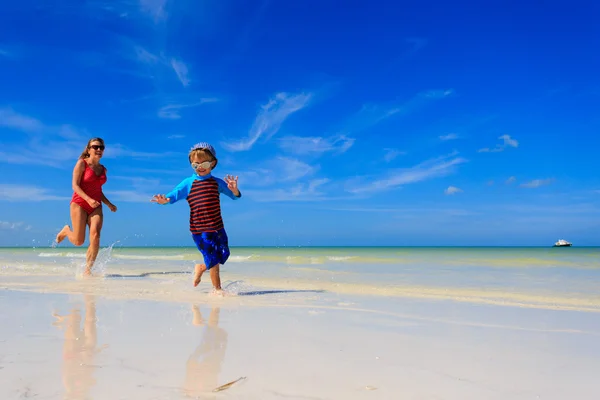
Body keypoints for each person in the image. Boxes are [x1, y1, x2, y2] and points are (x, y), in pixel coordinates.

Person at [151, 142, 241, 294]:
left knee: (224, 254)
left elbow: (235, 197)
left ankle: (201, 267)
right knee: (212, 257)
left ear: (213, 163)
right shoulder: (189, 183)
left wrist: (235, 190)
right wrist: (164, 200)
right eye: (195, 164)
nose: (199, 167)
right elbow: (173, 195)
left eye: (204, 163)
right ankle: (217, 289)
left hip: (218, 226)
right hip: (200, 229)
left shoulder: (217, 183)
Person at [55, 138, 117, 275]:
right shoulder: (81, 164)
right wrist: (88, 200)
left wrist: (108, 204)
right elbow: (75, 186)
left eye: (101, 147)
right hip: (80, 203)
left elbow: (98, 190)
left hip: (96, 206)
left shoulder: (103, 170)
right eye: (96, 147)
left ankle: (87, 270)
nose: (99, 150)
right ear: (89, 149)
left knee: (95, 235)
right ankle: (66, 230)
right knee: (78, 241)